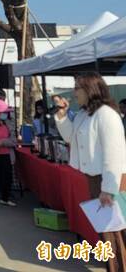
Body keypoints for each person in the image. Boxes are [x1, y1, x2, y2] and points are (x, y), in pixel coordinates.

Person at [55, 72, 126, 271]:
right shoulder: (83, 114)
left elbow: (115, 154)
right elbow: (71, 137)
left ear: (90, 89)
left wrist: (108, 189)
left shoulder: (106, 114)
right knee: (108, 233)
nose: (74, 92)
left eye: (77, 87)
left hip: (111, 180)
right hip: (96, 179)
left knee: (114, 234)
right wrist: (61, 117)